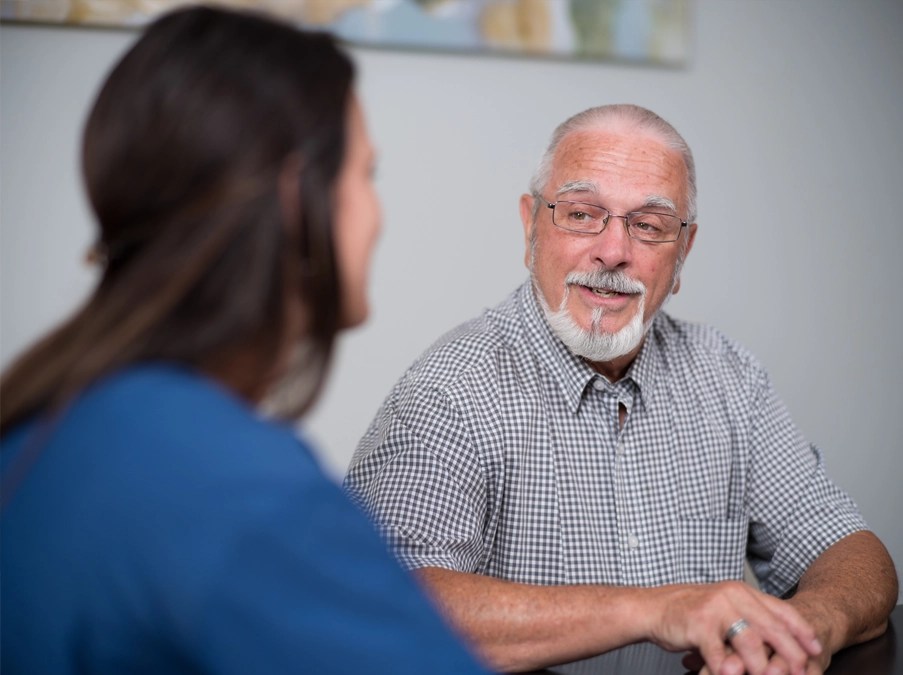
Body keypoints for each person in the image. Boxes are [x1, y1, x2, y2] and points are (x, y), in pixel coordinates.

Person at [0, 7, 490, 675]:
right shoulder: (237, 488)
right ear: (297, 197)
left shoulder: (42, 423)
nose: (376, 214)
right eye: (365, 175)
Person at [344, 104, 899, 675]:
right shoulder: (448, 391)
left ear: (682, 253)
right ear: (531, 226)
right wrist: (659, 610)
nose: (613, 251)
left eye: (650, 225)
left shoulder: (729, 375)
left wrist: (804, 632)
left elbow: (853, 552)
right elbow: (395, 604)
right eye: (583, 214)